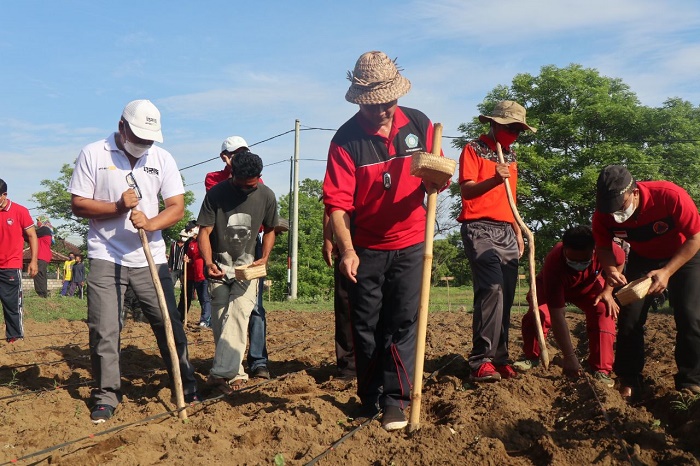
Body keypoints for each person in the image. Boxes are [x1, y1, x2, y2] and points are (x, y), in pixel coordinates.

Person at [323, 51, 445, 431]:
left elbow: (438, 172)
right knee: (365, 324)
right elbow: (338, 206)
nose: (383, 111)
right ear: (361, 101)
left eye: (389, 102)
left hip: (412, 242)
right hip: (368, 245)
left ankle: (396, 400)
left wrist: (437, 178)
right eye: (375, 105)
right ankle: (370, 395)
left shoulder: (419, 123)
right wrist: (347, 250)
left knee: (404, 321)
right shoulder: (346, 141)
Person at [69, 99, 199, 424]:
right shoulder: (93, 154)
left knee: (168, 321)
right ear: (122, 126)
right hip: (105, 254)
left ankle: (185, 383)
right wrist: (116, 207)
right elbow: (78, 204)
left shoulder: (162, 158)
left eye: (149, 139)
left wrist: (152, 224)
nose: (143, 145)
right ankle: (107, 395)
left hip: (149, 256)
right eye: (138, 137)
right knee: (105, 328)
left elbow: (176, 206)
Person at [593, 165, 700, 397]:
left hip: (684, 255)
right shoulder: (603, 213)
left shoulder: (670, 196)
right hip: (643, 258)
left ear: (634, 192)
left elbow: (695, 238)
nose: (614, 214)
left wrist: (667, 271)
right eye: (609, 209)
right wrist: (610, 269)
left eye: (619, 207)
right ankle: (629, 378)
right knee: (629, 316)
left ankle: (690, 381)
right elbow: (602, 246)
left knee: (690, 316)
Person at [457, 100, 536, 383]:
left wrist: (516, 229)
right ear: (494, 124)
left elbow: (509, 198)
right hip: (478, 228)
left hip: (506, 230)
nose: (514, 134)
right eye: (510, 128)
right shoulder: (472, 149)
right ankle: (481, 359)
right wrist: (493, 178)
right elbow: (467, 191)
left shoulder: (511, 157)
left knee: (507, 292)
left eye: (518, 130)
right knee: (492, 289)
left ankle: (500, 357)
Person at [197, 151, 278, 395]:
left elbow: (272, 228)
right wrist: (208, 261)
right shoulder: (216, 194)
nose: (246, 188)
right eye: (241, 183)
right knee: (221, 320)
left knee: (240, 314)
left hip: (248, 270)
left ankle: (220, 374)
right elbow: (204, 231)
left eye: (251, 184)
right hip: (218, 267)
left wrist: (264, 257)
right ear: (233, 174)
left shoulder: (266, 195)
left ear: (259, 177)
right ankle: (237, 373)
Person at [513, 226, 624, 387]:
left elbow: (619, 262)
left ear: (593, 251)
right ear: (564, 249)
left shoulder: (606, 248)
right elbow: (558, 316)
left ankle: (601, 369)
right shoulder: (554, 262)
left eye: (583, 261)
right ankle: (532, 357)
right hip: (552, 286)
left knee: (604, 310)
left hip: (589, 286)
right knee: (539, 314)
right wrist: (569, 356)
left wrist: (608, 291)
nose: (577, 265)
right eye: (572, 260)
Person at [0, 179, 38, 343]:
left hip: (10, 266)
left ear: (4, 195)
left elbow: (32, 236)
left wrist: (34, 260)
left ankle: (14, 340)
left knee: (12, 306)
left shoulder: (19, 211)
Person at [322, 209, 355, 379]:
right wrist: (328, 240)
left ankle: (378, 362)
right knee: (345, 304)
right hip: (345, 242)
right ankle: (348, 366)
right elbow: (331, 206)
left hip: (379, 242)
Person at [177, 227, 212, 327]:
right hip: (194, 275)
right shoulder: (190, 243)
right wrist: (188, 260)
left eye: (190, 230)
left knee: (204, 298)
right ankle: (180, 317)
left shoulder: (206, 241)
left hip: (204, 274)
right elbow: (191, 258)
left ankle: (206, 320)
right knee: (187, 297)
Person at [33, 215, 54, 298]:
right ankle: (42, 293)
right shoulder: (44, 230)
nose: (37, 222)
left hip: (42, 255)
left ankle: (41, 293)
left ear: (43, 221)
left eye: (38, 220)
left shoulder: (44, 229)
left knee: (38, 273)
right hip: (43, 255)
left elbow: (32, 234)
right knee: (41, 274)